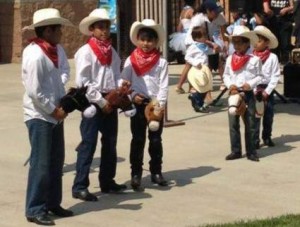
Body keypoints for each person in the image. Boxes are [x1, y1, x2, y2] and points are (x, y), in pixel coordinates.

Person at [22, 8, 74, 226]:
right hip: (40, 115)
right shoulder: (34, 54)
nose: (61, 32)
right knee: (41, 165)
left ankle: (52, 203)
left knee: (55, 162)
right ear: (48, 30)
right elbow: (34, 91)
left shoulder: (57, 49)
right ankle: (35, 208)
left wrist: (60, 100)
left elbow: (63, 71)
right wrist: (53, 110)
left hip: (55, 112)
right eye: (57, 28)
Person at [72, 8, 127, 202]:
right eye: (100, 27)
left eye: (106, 27)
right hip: (93, 102)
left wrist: (122, 86)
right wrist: (101, 101)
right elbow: (82, 82)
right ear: (92, 29)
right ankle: (80, 185)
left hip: (110, 100)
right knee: (88, 143)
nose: (104, 31)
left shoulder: (111, 51)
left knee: (110, 142)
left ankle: (107, 180)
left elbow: (116, 76)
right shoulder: (85, 52)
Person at [121, 19, 169, 191]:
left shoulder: (161, 62)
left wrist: (159, 105)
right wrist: (133, 95)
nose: (146, 43)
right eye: (143, 39)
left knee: (155, 139)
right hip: (138, 104)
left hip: (154, 105)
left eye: (149, 40)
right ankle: (136, 174)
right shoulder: (131, 60)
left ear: (156, 42)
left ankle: (156, 171)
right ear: (137, 40)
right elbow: (124, 81)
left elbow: (163, 85)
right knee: (138, 139)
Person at [223, 25, 262, 162]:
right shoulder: (229, 59)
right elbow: (226, 75)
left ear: (247, 43)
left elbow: (259, 76)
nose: (237, 45)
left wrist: (250, 84)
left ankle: (251, 151)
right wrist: (230, 85)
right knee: (233, 123)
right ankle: (236, 150)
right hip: (234, 93)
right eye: (235, 42)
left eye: (240, 42)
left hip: (248, 94)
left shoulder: (254, 60)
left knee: (250, 123)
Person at [176, 0, 227, 94]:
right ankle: (192, 87)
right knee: (192, 63)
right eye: (215, 11)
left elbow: (224, 33)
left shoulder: (219, 17)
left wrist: (225, 44)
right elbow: (195, 35)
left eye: (219, 10)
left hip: (206, 41)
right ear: (208, 10)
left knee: (204, 62)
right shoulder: (198, 18)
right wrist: (211, 44)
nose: (218, 13)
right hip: (193, 41)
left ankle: (193, 86)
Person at [253, 25, 280, 149]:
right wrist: (253, 89)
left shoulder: (273, 57)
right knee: (255, 116)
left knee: (268, 115)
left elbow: (275, 76)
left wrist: (267, 91)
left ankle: (267, 136)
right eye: (255, 41)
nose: (256, 43)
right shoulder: (251, 57)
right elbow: (248, 75)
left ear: (267, 42)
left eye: (259, 41)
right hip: (255, 88)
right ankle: (255, 139)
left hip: (267, 88)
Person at [185, 26, 214, 112]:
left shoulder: (204, 46)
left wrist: (215, 49)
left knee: (204, 87)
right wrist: (195, 63)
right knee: (200, 87)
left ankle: (196, 100)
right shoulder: (193, 47)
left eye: (206, 35)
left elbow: (209, 52)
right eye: (203, 36)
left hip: (204, 70)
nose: (206, 38)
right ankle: (197, 102)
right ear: (197, 38)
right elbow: (187, 57)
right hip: (197, 70)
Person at [169, 0, 195, 65]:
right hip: (190, 33)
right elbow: (195, 23)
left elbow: (179, 27)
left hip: (183, 33)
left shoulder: (183, 11)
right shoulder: (191, 11)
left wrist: (180, 34)